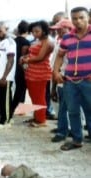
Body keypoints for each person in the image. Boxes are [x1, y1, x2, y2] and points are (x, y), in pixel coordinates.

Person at [53, 7, 91, 151]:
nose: (78, 21)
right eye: (74, 18)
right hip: (70, 81)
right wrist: (56, 72)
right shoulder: (67, 37)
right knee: (72, 110)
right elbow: (60, 55)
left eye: (81, 17)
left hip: (88, 81)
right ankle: (76, 140)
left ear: (88, 17)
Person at [20, 20, 53, 127]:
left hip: (40, 73)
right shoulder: (37, 40)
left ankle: (41, 120)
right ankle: (36, 116)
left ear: (44, 31)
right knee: (34, 96)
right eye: (33, 32)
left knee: (39, 97)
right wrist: (25, 57)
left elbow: (40, 57)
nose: (34, 34)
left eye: (37, 31)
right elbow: (32, 54)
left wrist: (26, 60)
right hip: (31, 72)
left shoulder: (47, 42)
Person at [50, 19, 74, 142]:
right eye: (57, 29)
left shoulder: (73, 43)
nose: (57, 31)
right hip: (59, 77)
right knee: (63, 107)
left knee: (72, 108)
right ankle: (62, 130)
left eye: (60, 28)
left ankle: (70, 131)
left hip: (70, 78)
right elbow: (56, 63)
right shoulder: (59, 42)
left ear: (68, 29)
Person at [0, 22, 16, 130]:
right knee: (0, 99)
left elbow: (10, 60)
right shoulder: (1, 42)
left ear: (6, 29)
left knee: (5, 99)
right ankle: (4, 117)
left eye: (0, 31)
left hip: (5, 77)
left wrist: (4, 77)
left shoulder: (10, 42)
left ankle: (5, 121)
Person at [11, 20, 30, 115]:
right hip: (21, 67)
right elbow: (23, 56)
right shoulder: (26, 42)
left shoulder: (14, 41)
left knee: (18, 88)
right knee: (21, 89)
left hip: (13, 66)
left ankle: (14, 107)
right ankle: (20, 109)